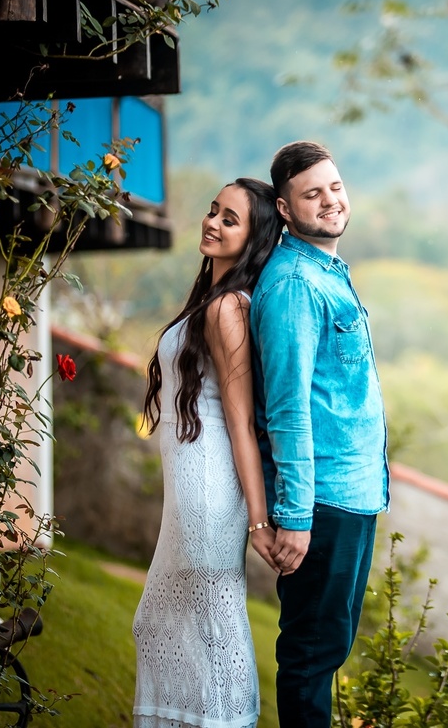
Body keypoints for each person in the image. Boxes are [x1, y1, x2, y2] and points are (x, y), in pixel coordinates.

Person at [132, 178, 284, 728]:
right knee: (162, 622)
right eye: (213, 211)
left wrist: (258, 518)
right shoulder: (213, 301)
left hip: (207, 490)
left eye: (230, 219)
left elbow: (242, 421)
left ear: (254, 238)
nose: (212, 223)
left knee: (212, 623)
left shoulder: (227, 310)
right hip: (191, 487)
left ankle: (225, 719)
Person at [250, 141, 390, 726]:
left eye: (334, 187)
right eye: (312, 194)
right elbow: (287, 409)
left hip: (352, 494)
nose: (331, 201)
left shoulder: (324, 272)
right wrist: (296, 517)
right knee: (311, 657)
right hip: (324, 501)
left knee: (327, 651)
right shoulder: (294, 287)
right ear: (285, 209)